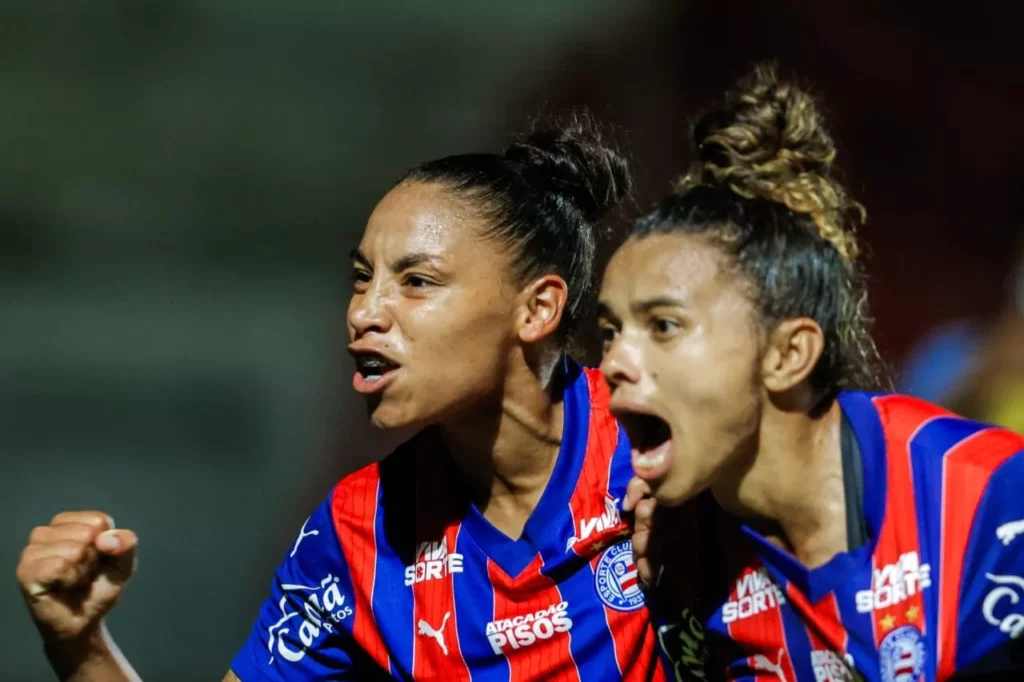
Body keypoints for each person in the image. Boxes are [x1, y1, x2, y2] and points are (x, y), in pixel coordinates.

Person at [16, 117, 669, 681]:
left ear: (538, 308)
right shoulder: (356, 532)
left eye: (416, 281)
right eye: (362, 279)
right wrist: (78, 643)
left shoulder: (665, 449)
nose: (364, 313)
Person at [598, 64, 1024, 681]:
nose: (613, 362)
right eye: (610, 332)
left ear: (788, 354)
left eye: (663, 326)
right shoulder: (665, 554)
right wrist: (663, 618)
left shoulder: (985, 497)